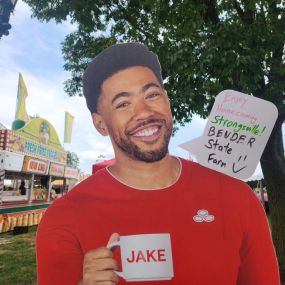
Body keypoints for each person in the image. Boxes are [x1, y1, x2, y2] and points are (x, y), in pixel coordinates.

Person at [36, 43, 280, 285]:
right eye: (123, 104)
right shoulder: (63, 218)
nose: (143, 112)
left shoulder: (237, 198)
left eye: (152, 94)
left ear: (167, 100)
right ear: (100, 124)